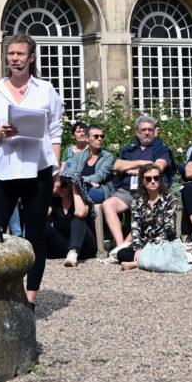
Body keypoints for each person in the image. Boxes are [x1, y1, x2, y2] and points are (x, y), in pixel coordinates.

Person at [0, 33, 63, 310]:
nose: (15, 59)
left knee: (35, 234)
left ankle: (30, 299)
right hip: (4, 171)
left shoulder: (45, 90)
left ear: (31, 58)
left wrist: (55, 171)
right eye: (11, 54)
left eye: (20, 54)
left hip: (37, 170)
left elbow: (55, 133)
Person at [101, 115, 174, 251]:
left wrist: (130, 169)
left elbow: (157, 168)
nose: (146, 132)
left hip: (149, 192)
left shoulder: (160, 148)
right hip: (127, 191)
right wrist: (142, 163)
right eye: (143, 130)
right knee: (108, 204)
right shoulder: (129, 149)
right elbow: (117, 165)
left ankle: (123, 248)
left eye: (150, 130)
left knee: (143, 209)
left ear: (154, 131)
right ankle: (120, 245)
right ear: (137, 132)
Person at [114, 165, 178, 271]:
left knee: (169, 253)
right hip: (144, 245)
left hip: (163, 244)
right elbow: (136, 229)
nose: (152, 181)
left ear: (160, 180)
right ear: (143, 181)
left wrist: (149, 248)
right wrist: (139, 249)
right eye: (148, 179)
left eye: (156, 178)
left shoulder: (170, 199)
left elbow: (169, 228)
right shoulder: (137, 202)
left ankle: (137, 264)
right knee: (122, 253)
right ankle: (145, 262)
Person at [44, 173, 96, 267]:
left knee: (78, 219)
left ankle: (74, 251)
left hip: (86, 248)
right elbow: (40, 216)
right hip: (64, 246)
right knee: (42, 224)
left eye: (63, 185)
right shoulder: (54, 202)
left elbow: (80, 213)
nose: (60, 188)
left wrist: (75, 190)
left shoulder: (85, 201)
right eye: (59, 185)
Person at [63, 125, 115, 204]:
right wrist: (86, 183)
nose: (100, 139)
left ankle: (77, 214)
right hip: (79, 187)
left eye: (102, 136)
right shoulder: (78, 156)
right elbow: (72, 174)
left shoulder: (107, 156)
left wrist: (80, 181)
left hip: (99, 190)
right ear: (87, 139)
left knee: (76, 191)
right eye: (96, 136)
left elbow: (99, 177)